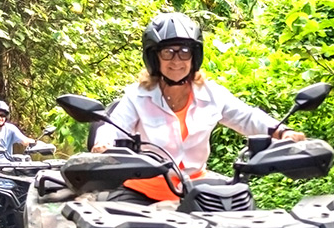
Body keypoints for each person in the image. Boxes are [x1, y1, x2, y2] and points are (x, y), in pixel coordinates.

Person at [91, 11, 306, 202]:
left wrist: (283, 132)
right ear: (154, 57)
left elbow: (247, 118)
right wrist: (103, 142)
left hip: (196, 191)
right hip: (142, 192)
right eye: (167, 52)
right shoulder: (137, 96)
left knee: (240, 226)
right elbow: (114, 126)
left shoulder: (212, 94)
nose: (176, 60)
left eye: (184, 51)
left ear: (194, 56)